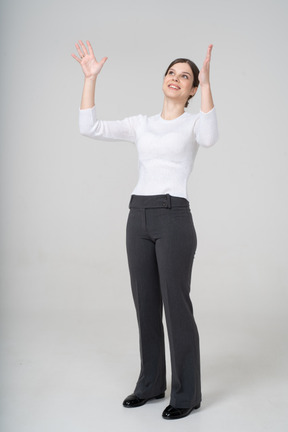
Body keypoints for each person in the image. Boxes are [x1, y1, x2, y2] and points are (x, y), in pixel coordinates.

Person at [72, 40, 218, 420]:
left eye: (185, 76)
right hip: (138, 215)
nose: (175, 78)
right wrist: (90, 79)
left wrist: (208, 88)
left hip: (173, 216)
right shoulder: (142, 124)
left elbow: (211, 137)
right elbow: (89, 127)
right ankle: (151, 382)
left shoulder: (194, 122)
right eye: (172, 72)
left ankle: (187, 394)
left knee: (176, 306)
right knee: (146, 306)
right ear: (164, 80)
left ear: (191, 89)